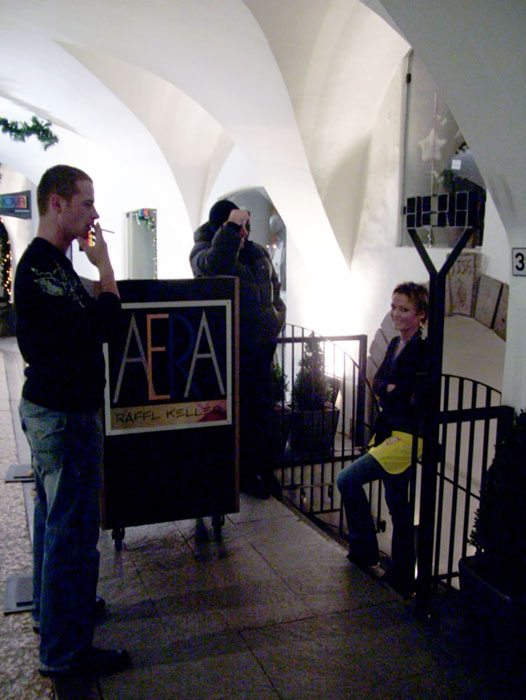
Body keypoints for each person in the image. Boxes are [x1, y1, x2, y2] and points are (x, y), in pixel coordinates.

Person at [15, 165, 131, 677]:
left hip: (55, 410)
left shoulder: (53, 264)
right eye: (86, 203)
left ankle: (54, 613)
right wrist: (105, 269)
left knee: (53, 522)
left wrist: (92, 278)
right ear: (56, 203)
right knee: (73, 532)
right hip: (64, 414)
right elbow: (104, 325)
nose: (95, 214)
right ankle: (64, 652)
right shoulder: (42, 267)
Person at [337, 282, 429, 598]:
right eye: (393, 307)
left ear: (420, 315)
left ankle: (366, 551)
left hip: (406, 437)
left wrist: (394, 390)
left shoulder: (423, 350)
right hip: (389, 432)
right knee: (398, 506)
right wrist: (392, 390)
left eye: (404, 309)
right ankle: (402, 575)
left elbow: (412, 395)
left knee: (347, 479)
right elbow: (378, 382)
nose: (396, 314)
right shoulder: (393, 343)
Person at [190, 199, 286, 499]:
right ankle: (243, 475)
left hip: (261, 347)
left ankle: (265, 469)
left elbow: (274, 289)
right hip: (229, 351)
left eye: (245, 227)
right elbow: (215, 265)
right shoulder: (204, 251)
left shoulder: (256, 253)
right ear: (223, 227)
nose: (244, 233)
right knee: (239, 414)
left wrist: (276, 320)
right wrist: (230, 231)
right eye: (238, 227)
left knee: (262, 411)